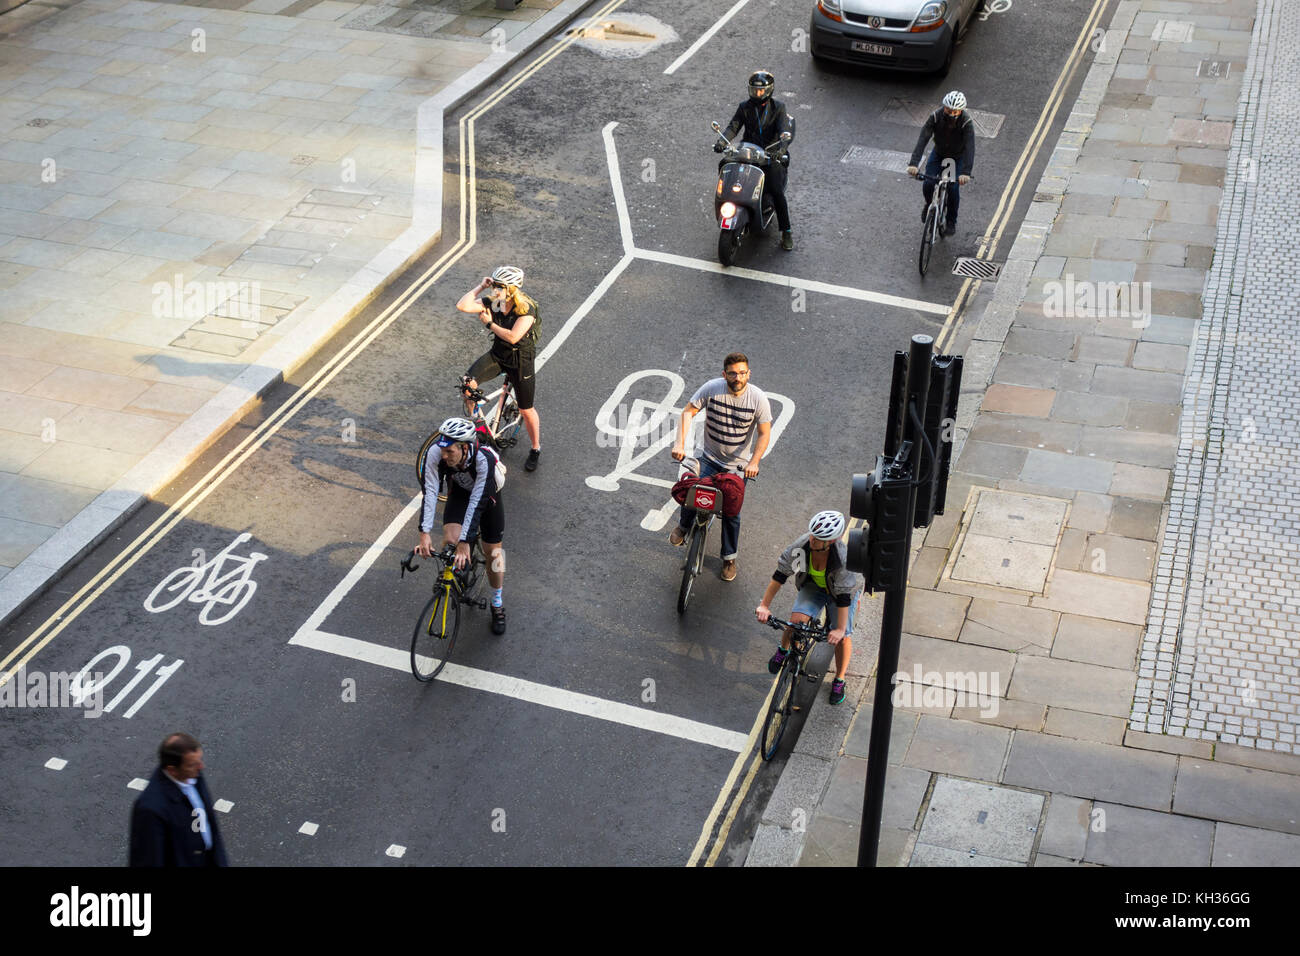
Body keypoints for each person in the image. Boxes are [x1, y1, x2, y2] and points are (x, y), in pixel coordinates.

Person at [669, 352, 772, 581]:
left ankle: (729, 558)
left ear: (749, 374)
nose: (738, 378)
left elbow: (764, 433)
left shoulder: (758, 399)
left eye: (743, 373)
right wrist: (679, 444)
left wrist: (754, 462)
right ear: (724, 374)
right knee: (689, 488)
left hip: (737, 466)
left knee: (732, 512)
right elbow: (688, 412)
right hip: (707, 457)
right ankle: (684, 526)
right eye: (733, 373)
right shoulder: (711, 388)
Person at [755, 511, 862, 706]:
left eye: (819, 538)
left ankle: (839, 679)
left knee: (843, 636)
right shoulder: (803, 546)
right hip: (815, 585)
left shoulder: (842, 559)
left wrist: (838, 629)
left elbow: (844, 597)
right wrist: (764, 605)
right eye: (812, 534)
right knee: (795, 622)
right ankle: (783, 650)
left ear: (831, 541)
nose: (813, 540)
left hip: (841, 594)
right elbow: (780, 575)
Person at [416, 417, 508, 634]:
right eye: (443, 450)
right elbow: (430, 492)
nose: (444, 456)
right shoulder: (436, 453)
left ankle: (497, 602)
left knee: (493, 554)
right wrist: (424, 532)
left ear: (465, 448)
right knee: (450, 540)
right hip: (459, 492)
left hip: (487, 498)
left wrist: (466, 542)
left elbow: (476, 505)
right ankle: (456, 574)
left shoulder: (484, 459)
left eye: (450, 452)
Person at [456, 265, 542, 472]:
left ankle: (536, 448)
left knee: (526, 409)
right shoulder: (495, 301)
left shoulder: (526, 310)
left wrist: (489, 324)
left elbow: (513, 337)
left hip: (520, 361)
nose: (494, 290)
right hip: (498, 355)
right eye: (494, 285)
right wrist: (480, 286)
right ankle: (479, 428)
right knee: (468, 386)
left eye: (499, 286)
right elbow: (463, 306)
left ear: (511, 289)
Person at [715, 70, 796, 250]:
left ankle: (786, 231)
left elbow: (784, 131)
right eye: (754, 90)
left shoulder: (779, 108)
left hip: (769, 154)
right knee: (724, 165)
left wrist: (780, 149)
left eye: (760, 91)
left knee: (776, 190)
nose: (757, 94)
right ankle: (729, 198)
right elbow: (732, 127)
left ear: (769, 90)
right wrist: (722, 142)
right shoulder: (744, 107)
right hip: (748, 152)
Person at [129, 733, 229, 867]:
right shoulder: (150, 809)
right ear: (172, 770)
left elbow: (210, 824)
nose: (201, 767)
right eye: (193, 764)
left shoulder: (193, 774)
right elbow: (148, 860)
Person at [906, 90, 975, 238]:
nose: (951, 114)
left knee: (953, 187)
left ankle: (951, 221)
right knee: (928, 183)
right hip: (938, 154)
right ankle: (929, 204)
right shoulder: (935, 117)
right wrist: (914, 163)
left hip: (956, 158)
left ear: (961, 110)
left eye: (955, 111)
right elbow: (923, 138)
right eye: (948, 110)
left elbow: (970, 148)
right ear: (944, 107)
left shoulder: (966, 123)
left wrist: (965, 173)